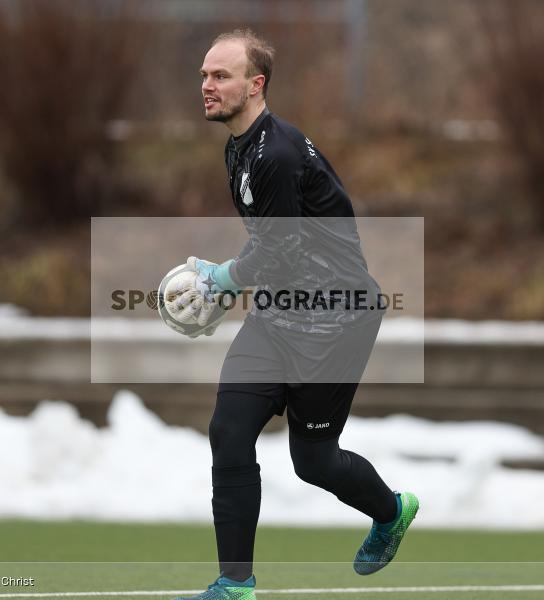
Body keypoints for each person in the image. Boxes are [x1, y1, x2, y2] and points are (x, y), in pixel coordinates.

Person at [172, 29, 419, 600]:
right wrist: (233, 285)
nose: (207, 85)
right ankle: (235, 584)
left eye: (221, 76)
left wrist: (223, 280)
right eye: (205, 75)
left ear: (255, 86)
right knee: (228, 431)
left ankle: (390, 510)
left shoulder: (276, 155)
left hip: (338, 322)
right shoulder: (240, 146)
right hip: (279, 314)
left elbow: (278, 250)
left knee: (313, 461)